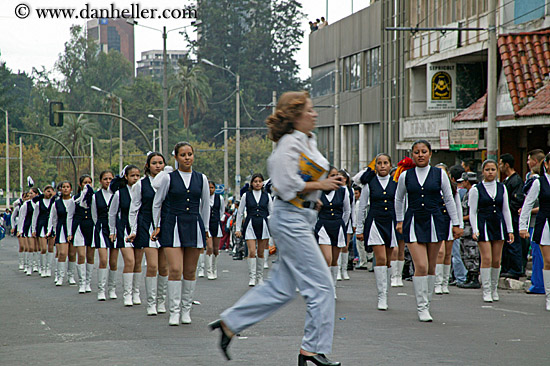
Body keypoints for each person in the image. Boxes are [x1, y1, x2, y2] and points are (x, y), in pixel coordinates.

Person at [210, 91, 343, 366]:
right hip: (290, 219)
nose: (315, 114)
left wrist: (322, 186)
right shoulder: (286, 146)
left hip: (302, 218)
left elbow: (306, 179)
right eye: (309, 110)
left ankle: (229, 323)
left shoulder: (308, 140)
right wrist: (321, 186)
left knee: (281, 288)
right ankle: (312, 349)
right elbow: (283, 185)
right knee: (322, 286)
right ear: (295, 116)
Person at [395, 140, 462, 322]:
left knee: (432, 266)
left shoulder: (439, 174)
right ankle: (421, 307)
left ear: (430, 154)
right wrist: (400, 220)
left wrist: (456, 224)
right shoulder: (405, 176)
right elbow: (399, 199)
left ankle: (428, 301)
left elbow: (449, 199)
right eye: (416, 152)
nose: (420, 155)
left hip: (435, 221)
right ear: (412, 154)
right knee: (421, 266)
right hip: (414, 220)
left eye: (424, 151)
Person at [152, 142, 210, 326]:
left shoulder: (202, 179)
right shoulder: (168, 178)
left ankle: (186, 310)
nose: (187, 158)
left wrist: (206, 228)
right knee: (175, 269)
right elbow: (157, 202)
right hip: (172, 225)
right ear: (176, 157)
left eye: (190, 154)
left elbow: (205, 205)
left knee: (190, 270)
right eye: (183, 155)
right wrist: (157, 224)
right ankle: (174, 311)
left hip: (193, 224)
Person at [128, 152, 169, 315]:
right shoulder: (140, 185)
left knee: (164, 267)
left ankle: (161, 301)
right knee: (152, 265)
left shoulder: (169, 182)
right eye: (154, 163)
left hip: (165, 225)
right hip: (147, 226)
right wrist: (133, 230)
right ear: (147, 166)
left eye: (160, 163)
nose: (158, 166)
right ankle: (151, 302)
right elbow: (134, 208)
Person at [356, 154, 398, 310]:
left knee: (388, 260)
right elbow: (362, 207)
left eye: (385, 163)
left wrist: (401, 224)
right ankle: (381, 296)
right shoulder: (369, 183)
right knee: (380, 258)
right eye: (379, 163)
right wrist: (359, 228)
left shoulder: (396, 183)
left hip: (391, 222)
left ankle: (386, 291)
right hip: (374, 222)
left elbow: (401, 204)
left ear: (390, 165)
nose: (382, 166)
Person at [470, 159, 514, 302]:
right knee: (487, 258)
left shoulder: (502, 187)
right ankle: (486, 289)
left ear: (497, 171)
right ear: (483, 172)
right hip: (484, 225)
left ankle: (494, 288)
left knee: (496, 260)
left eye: (493, 170)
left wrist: (510, 230)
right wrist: (475, 229)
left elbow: (506, 209)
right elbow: (473, 212)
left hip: (498, 225)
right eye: (487, 170)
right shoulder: (476, 189)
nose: (490, 172)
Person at [520, 152, 550, 310]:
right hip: (544, 223)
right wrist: (522, 226)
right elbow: (528, 204)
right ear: (546, 164)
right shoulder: (539, 182)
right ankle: (549, 296)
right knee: (548, 261)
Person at [109, 165, 143, 306]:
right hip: (124, 230)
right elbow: (112, 213)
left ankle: (136, 293)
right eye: (132, 175)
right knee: (130, 261)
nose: (135, 178)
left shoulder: (142, 191)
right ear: (126, 177)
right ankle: (127, 294)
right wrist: (112, 231)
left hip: (140, 229)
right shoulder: (119, 193)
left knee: (138, 263)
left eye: (137, 175)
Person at [315, 166, 350, 299]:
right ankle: (325, 288)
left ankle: (333, 287)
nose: (334, 178)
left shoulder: (343, 191)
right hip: (323, 225)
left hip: (338, 225)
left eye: (336, 175)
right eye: (331, 175)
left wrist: (343, 224)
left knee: (335, 260)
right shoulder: (318, 191)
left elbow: (347, 210)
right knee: (327, 258)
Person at [236, 173, 273, 286]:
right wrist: (238, 228)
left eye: (260, 181)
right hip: (250, 225)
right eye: (255, 181)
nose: (257, 183)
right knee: (252, 251)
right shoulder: (246, 195)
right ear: (252, 183)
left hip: (263, 224)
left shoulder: (267, 196)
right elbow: (240, 213)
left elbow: (272, 213)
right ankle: (252, 277)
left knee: (261, 252)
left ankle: (260, 277)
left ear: (262, 183)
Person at [434, 163, 463, 295]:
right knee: (439, 252)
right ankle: (437, 283)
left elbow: (457, 207)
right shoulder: (432, 188)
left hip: (449, 221)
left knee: (447, 254)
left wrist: (459, 224)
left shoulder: (453, 189)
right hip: (436, 222)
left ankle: (445, 282)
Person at [523, 149, 546, 294]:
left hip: (539, 222)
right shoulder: (531, 178)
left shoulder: (539, 181)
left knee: (539, 254)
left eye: (529, 159)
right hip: (533, 222)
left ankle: (539, 284)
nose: (527, 162)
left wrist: (528, 211)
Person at [498, 153, 524, 279]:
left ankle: (516, 269)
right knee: (507, 244)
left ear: (506, 164)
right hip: (505, 217)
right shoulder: (506, 181)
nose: (499, 167)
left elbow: (517, 200)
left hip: (513, 217)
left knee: (513, 243)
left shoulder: (516, 180)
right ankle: (507, 267)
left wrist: (507, 209)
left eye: (500, 163)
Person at [91, 170, 115, 301]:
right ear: (100, 181)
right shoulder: (96, 196)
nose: (108, 181)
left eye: (110, 179)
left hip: (115, 229)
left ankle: (112, 289)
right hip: (101, 228)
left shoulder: (116, 194)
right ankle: (101, 290)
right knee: (103, 260)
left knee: (113, 261)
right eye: (105, 179)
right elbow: (94, 215)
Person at [456, 172, 481, 289]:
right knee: (465, 252)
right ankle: (469, 276)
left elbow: (472, 212)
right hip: (465, 228)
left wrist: (460, 218)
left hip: (471, 228)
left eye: (464, 181)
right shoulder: (468, 192)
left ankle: (474, 277)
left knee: (472, 253)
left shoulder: (474, 192)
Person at [47, 181, 74, 286]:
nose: (66, 189)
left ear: (71, 189)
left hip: (72, 229)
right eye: (64, 187)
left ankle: (70, 275)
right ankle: (60, 276)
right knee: (62, 253)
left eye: (68, 187)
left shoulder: (74, 201)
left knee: (72, 254)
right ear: (60, 189)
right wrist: (52, 231)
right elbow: (53, 218)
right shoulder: (56, 203)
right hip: (61, 228)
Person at [71, 174, 95, 293]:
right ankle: (82, 282)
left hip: (91, 227)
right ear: (80, 184)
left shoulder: (94, 197)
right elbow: (70, 216)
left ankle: (88, 282)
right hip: (79, 227)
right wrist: (70, 232)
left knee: (90, 256)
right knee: (81, 255)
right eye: (85, 182)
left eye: (89, 182)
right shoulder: (75, 198)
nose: (87, 185)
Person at [449, 164, 468, 286]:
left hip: (456, 225)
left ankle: (460, 277)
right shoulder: (468, 191)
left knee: (456, 253)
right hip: (464, 226)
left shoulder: (455, 192)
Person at [31, 185, 56, 277]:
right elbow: (35, 217)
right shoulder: (39, 203)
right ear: (44, 192)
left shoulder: (54, 203)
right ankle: (43, 267)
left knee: (50, 248)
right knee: (43, 248)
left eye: (51, 191)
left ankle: (48, 268)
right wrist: (34, 229)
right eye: (48, 191)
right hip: (42, 226)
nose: (49, 193)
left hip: (51, 226)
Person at [204, 181, 225, 280]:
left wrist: (218, 219)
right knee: (210, 248)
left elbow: (222, 211)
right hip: (207, 225)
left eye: (212, 188)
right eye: (208, 188)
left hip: (216, 224)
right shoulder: (203, 198)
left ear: (215, 189)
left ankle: (214, 268)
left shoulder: (219, 198)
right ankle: (209, 271)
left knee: (216, 249)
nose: (210, 190)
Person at [338, 170, 354, 281]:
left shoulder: (350, 190)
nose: (341, 179)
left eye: (343, 177)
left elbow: (351, 209)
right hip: (338, 220)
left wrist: (354, 223)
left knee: (345, 246)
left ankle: (344, 269)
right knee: (338, 246)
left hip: (347, 222)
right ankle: (338, 270)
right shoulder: (335, 190)